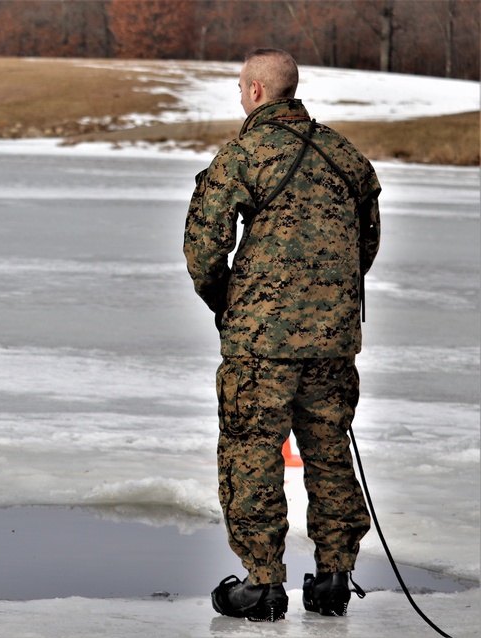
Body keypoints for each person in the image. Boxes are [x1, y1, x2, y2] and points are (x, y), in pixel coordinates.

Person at [183, 48, 380, 622]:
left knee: (252, 454)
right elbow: (364, 244)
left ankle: (263, 583)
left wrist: (229, 303)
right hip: (332, 341)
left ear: (257, 91)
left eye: (242, 87)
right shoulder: (346, 156)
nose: (240, 95)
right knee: (328, 452)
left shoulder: (243, 154)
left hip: (260, 345)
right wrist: (327, 303)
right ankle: (334, 578)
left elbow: (202, 248)